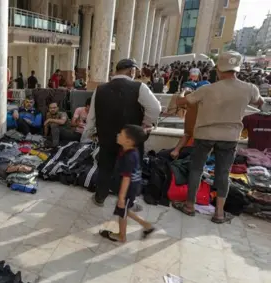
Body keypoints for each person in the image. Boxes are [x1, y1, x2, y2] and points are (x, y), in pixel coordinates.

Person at [174, 51, 264, 224]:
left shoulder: (206, 89)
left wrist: (183, 91)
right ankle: (219, 213)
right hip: (229, 137)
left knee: (196, 169)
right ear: (237, 69)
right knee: (223, 174)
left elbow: (182, 103)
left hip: (204, 135)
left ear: (219, 70)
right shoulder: (250, 88)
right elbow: (259, 102)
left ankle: (189, 206)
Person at [83, 58, 160, 208]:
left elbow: (91, 116)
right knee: (130, 170)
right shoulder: (139, 87)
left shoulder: (100, 89)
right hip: (130, 138)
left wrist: (90, 132)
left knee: (105, 167)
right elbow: (155, 108)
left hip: (106, 137)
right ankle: (129, 202)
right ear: (131, 71)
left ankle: (100, 197)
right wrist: (146, 123)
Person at [98, 125, 155, 243]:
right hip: (132, 188)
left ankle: (122, 236)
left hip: (129, 189)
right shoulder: (129, 150)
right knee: (124, 210)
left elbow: (126, 178)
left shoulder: (129, 157)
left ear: (128, 141)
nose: (118, 135)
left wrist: (122, 197)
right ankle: (147, 226)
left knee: (122, 212)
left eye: (121, 134)